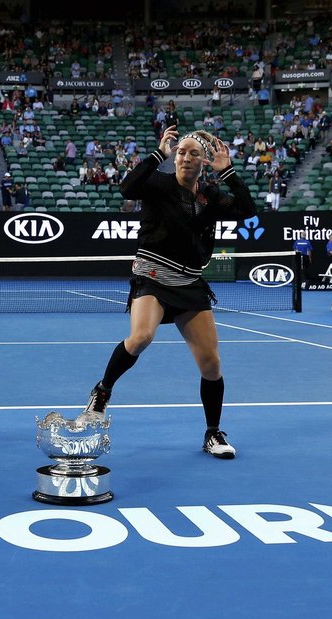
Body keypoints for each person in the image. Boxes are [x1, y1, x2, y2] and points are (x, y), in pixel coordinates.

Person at [82, 128, 256, 459]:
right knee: (141, 337)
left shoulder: (211, 196)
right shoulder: (159, 186)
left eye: (193, 153)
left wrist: (228, 172)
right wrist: (156, 154)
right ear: (174, 158)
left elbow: (247, 209)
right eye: (181, 152)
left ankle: (213, 433)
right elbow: (126, 188)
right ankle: (102, 392)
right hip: (152, 276)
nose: (186, 157)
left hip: (190, 284)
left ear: (204, 161)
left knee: (211, 363)